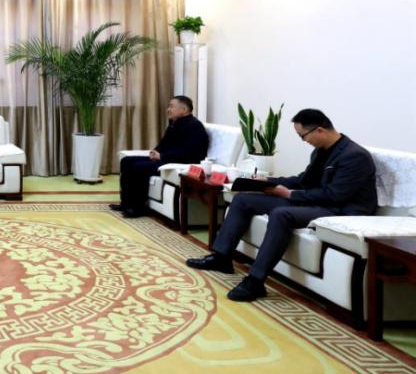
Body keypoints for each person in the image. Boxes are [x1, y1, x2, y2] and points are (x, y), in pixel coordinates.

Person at [187, 109, 376, 302]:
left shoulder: (354, 156)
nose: (304, 141)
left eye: (303, 136)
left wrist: (291, 194)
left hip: (339, 211)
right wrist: (268, 182)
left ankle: (255, 281)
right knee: (243, 200)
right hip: (315, 201)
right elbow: (303, 181)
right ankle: (222, 258)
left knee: (281, 214)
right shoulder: (320, 151)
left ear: (320, 130)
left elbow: (335, 195)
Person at [111, 95, 209, 218]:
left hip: (179, 162)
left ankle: (137, 207)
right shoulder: (175, 123)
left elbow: (189, 153)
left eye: (172, 107)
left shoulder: (194, 126)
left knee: (139, 167)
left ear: (184, 110)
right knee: (126, 161)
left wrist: (162, 156)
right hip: (166, 158)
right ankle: (125, 203)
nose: (168, 109)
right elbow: (164, 143)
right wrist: (155, 151)